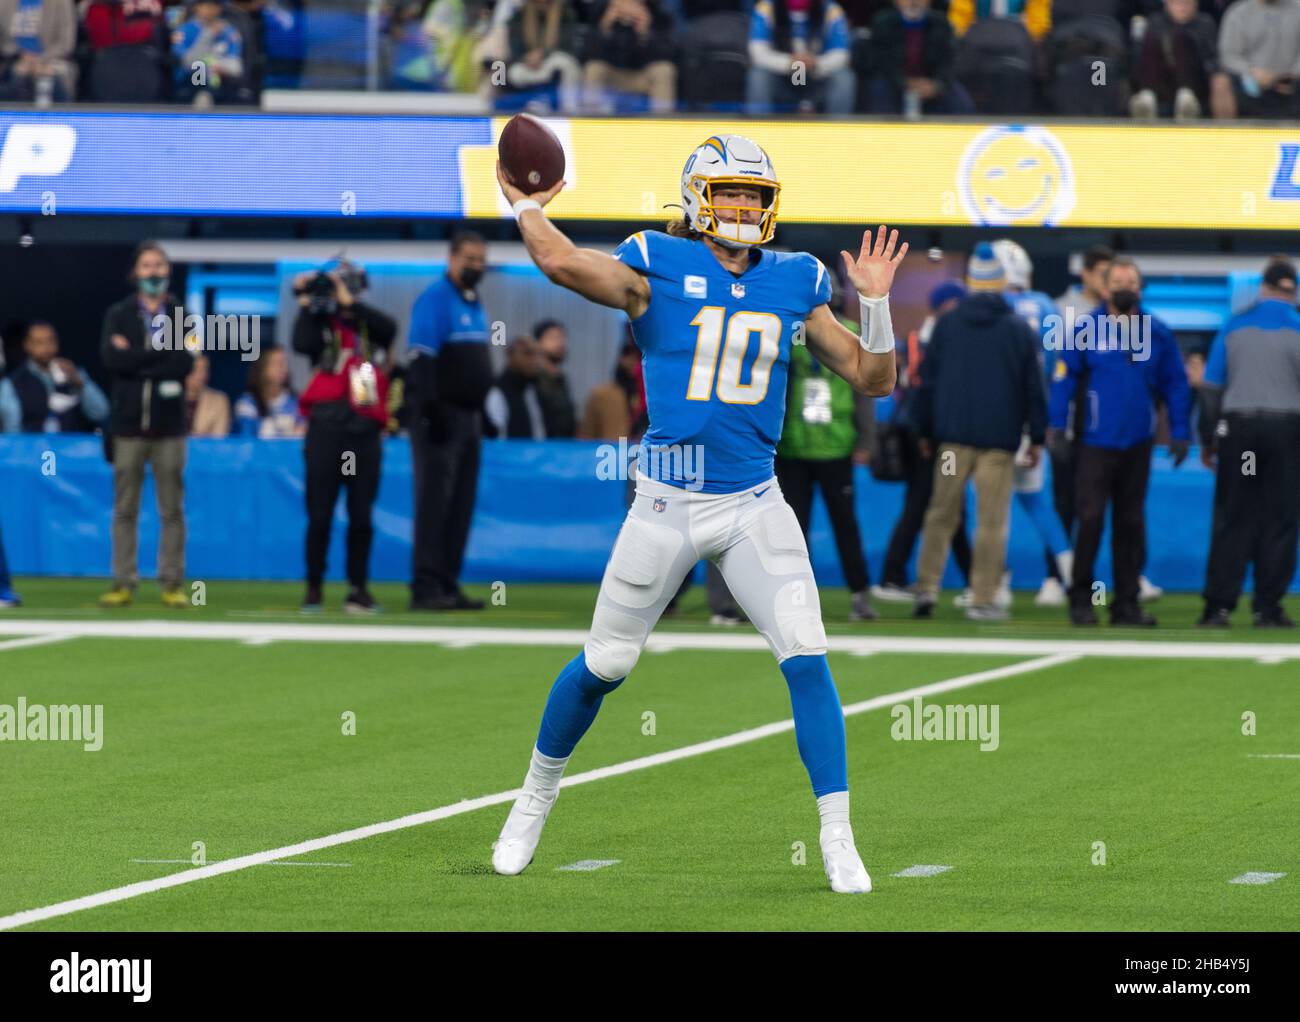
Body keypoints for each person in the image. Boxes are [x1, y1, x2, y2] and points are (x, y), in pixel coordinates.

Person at [491, 132, 904, 893]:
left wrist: (874, 303)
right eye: (732, 193)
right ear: (696, 198)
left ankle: (839, 835)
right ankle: (534, 797)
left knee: (807, 656)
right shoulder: (657, 262)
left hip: (754, 501)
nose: (745, 207)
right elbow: (560, 263)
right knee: (606, 663)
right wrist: (525, 207)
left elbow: (873, 378)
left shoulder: (795, 280)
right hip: (666, 499)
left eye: (755, 195)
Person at [1047, 256, 1191, 628]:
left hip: (1138, 443)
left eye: (1133, 281)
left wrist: (1180, 431)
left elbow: (1175, 383)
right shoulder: (1084, 329)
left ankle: (1126, 604)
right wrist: (1055, 426)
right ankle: (1081, 599)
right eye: (1119, 281)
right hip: (1095, 442)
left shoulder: (1156, 331)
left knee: (1130, 523)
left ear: (1140, 288)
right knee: (1090, 519)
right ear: (1105, 287)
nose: (1126, 287)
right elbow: (1063, 379)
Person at [911, 243, 1046, 622]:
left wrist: (923, 430)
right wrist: (1035, 436)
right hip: (997, 445)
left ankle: (926, 589)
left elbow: (927, 382)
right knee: (991, 520)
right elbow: (1033, 387)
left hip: (953, 443)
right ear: (1002, 283)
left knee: (941, 512)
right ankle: (983, 597)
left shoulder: (947, 325)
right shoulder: (1018, 329)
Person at [1197, 258, 1300, 628]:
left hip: (1243, 440)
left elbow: (1210, 389)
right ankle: (1267, 608)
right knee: (1279, 520)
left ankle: (1218, 608)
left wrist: (1208, 439)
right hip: (1285, 436)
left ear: (1263, 288)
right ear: (1293, 291)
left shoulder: (1233, 325)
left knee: (1235, 515)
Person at [775, 265, 879, 622]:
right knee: (802, 528)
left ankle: (855, 593)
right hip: (801, 445)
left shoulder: (840, 333)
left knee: (832, 525)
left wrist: (866, 438)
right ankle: (810, 597)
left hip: (824, 445)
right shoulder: (788, 334)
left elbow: (864, 391)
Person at [293, 261, 396, 614]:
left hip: (364, 430)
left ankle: (357, 589)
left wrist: (349, 303)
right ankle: (314, 588)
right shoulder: (320, 323)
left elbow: (390, 329)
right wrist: (307, 301)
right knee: (319, 514)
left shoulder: (368, 323)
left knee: (360, 515)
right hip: (326, 429)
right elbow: (300, 342)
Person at [99, 241, 194, 609]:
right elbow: (112, 360)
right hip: (128, 427)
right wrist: (157, 353)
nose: (153, 271)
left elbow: (183, 365)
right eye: (146, 265)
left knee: (171, 509)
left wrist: (135, 356)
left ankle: (171, 583)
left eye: (159, 265)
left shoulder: (182, 315)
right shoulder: (118, 314)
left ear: (167, 272)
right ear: (135, 272)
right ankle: (124, 582)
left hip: (169, 428)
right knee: (125, 509)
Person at [871, 280, 975, 604]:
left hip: (924, 433)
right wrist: (927, 436)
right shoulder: (939, 337)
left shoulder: (925, 336)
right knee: (933, 504)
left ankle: (970, 579)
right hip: (928, 437)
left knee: (942, 505)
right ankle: (894, 575)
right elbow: (927, 391)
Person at [407, 230, 492, 611]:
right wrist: (430, 411)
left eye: (481, 260)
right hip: (441, 418)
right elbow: (422, 359)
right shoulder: (435, 299)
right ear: (452, 259)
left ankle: (447, 582)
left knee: (461, 503)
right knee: (435, 502)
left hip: (469, 417)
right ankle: (425, 586)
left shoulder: (474, 302)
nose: (476, 266)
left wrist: (483, 412)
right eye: (470, 259)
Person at [992, 239, 1074, 609]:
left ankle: (998, 584)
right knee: (1037, 502)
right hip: (1032, 418)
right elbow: (1057, 367)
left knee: (995, 506)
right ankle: (1069, 575)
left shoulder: (993, 307)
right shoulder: (1046, 306)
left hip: (995, 419)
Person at [747, 0, 856, 115]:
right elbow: (757, 52)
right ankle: (759, 128)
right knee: (758, 75)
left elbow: (842, 54)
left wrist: (816, 63)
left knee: (844, 77)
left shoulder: (831, 10)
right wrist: (789, 62)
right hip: (782, 81)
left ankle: (838, 130)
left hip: (817, 80)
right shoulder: (766, 7)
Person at [866, 0, 974, 114]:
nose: (913, 2)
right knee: (879, 88)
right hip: (894, 82)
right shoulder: (883, 23)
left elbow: (949, 60)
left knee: (958, 98)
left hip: (932, 82)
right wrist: (905, 83)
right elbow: (881, 61)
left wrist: (936, 85)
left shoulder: (941, 23)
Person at [0, 321, 109, 433]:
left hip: (73, 446)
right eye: (39, 342)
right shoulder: (12, 383)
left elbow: (101, 414)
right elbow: (12, 429)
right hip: (32, 447)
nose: (46, 347)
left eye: (51, 341)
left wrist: (79, 383)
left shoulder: (74, 374)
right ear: (27, 345)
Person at [1130, 0, 1229, 120]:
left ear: (1195, 4)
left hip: (1195, 81)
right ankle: (1147, 98)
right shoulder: (1155, 21)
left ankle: (1186, 99)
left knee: (1180, 38)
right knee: (1152, 42)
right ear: (1167, 4)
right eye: (1177, 3)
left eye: (1187, 3)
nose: (1182, 7)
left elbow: (1212, 57)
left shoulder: (1205, 23)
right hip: (1161, 80)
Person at [581, 0, 676, 112]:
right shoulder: (601, 10)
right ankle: (590, 125)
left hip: (642, 76)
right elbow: (586, 55)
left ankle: (662, 125)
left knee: (664, 71)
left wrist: (645, 34)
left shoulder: (657, 13)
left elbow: (667, 55)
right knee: (594, 69)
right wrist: (606, 27)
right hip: (613, 74)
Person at [1216, 0, 1300, 119]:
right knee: (1222, 82)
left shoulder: (1297, 9)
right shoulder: (1238, 13)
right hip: (1251, 84)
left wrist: (1293, 75)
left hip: (1293, 83)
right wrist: (1253, 72)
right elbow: (1229, 55)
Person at [171, 0, 244, 106]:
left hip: (221, 80)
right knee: (199, 71)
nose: (210, 9)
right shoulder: (184, 31)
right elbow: (187, 61)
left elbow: (236, 66)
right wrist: (208, 34)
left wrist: (219, 67)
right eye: (206, 5)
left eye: (214, 6)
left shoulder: (229, 32)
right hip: (190, 81)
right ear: (197, 7)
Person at [0, 0, 77, 101]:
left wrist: (40, 60)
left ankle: (63, 115)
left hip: (52, 59)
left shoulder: (61, 3)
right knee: (18, 77)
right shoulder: (4, 3)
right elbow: (4, 41)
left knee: (51, 78)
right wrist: (20, 56)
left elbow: (65, 43)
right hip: (14, 60)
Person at [234, 345, 304, 437]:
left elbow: (302, 434)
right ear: (263, 368)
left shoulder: (296, 402)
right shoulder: (248, 402)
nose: (283, 368)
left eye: (284, 363)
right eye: (276, 363)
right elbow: (247, 438)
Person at [484, 335, 547, 438]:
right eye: (528, 353)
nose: (535, 360)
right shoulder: (496, 392)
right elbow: (496, 438)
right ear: (510, 356)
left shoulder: (532, 391)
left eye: (538, 355)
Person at [532, 318, 577, 437]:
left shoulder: (561, 379)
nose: (560, 343)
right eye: (553, 338)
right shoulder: (532, 380)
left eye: (562, 338)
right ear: (537, 343)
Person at [184, 353, 231, 437]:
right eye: (196, 369)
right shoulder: (168, 398)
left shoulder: (219, 401)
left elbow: (219, 439)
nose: (202, 375)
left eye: (205, 369)